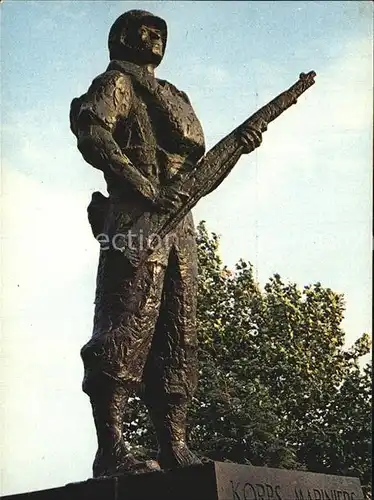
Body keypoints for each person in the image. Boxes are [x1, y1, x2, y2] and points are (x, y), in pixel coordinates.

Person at [70, 9, 263, 478]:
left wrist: (240, 148)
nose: (154, 36)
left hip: (180, 227)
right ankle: (111, 449)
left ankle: (174, 443)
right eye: (144, 28)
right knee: (125, 327)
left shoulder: (173, 95)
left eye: (162, 32)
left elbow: (199, 165)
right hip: (135, 215)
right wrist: (144, 186)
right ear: (119, 37)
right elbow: (94, 135)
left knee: (180, 333)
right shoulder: (116, 83)